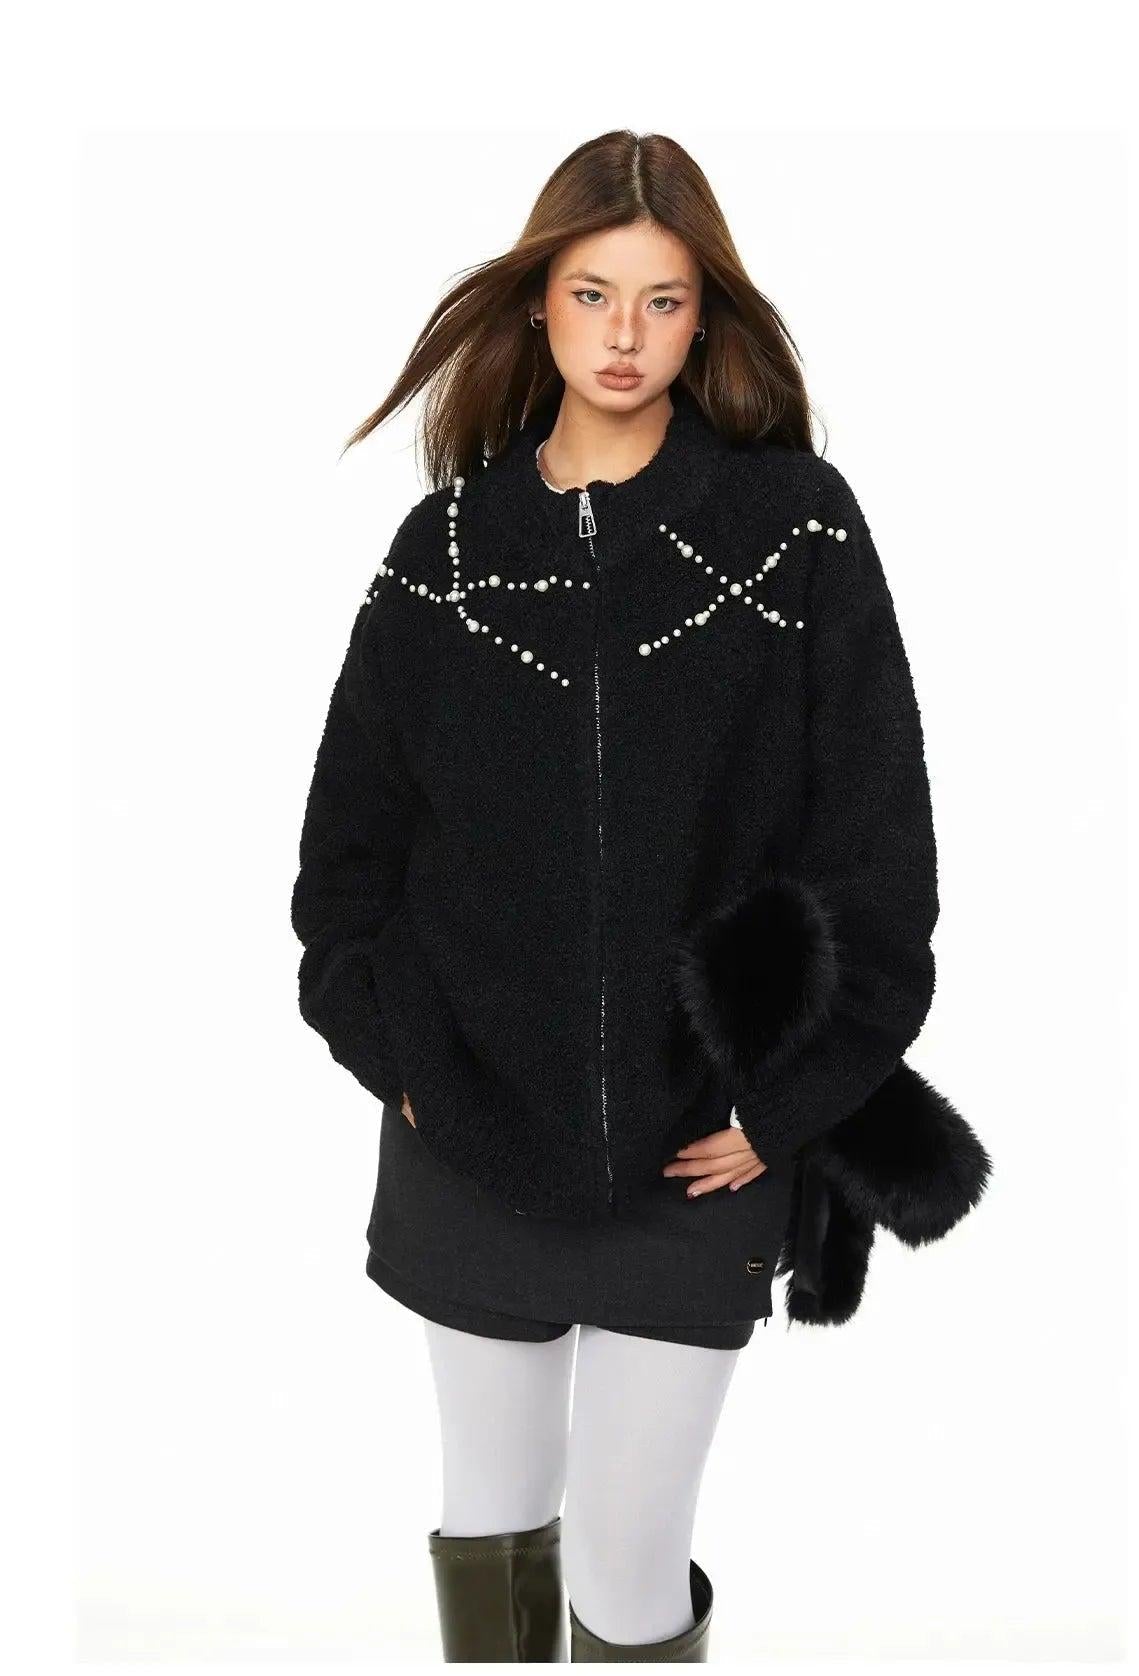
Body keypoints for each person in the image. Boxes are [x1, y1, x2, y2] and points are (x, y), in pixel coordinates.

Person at [289, 128, 989, 1663]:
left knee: (624, 1565)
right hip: (468, 1138)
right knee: (491, 1522)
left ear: (703, 316)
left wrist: (788, 1102)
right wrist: (403, 1062)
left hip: (702, 1155)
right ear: (538, 304)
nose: (624, 335)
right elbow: (345, 872)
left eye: (662, 301)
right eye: (593, 294)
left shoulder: (794, 528)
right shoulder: (445, 552)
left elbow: (881, 858)